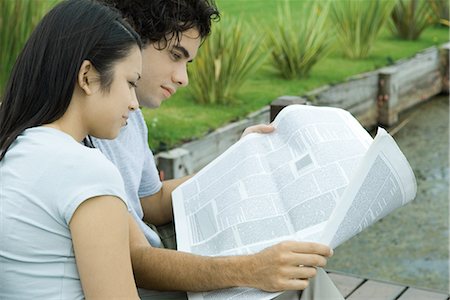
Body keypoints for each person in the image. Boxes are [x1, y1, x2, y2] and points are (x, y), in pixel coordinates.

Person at [93, 1, 338, 299]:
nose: (183, 78)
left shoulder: (132, 118)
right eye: (175, 56)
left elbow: (151, 201)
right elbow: (134, 261)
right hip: (137, 280)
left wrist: (237, 160)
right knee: (299, 280)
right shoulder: (88, 135)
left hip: (155, 249)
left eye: (187, 63)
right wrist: (250, 268)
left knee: (297, 266)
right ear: (130, 38)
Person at [0, 0, 143, 298]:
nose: (134, 102)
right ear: (87, 76)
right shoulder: (85, 171)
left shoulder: (15, 144)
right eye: (130, 83)